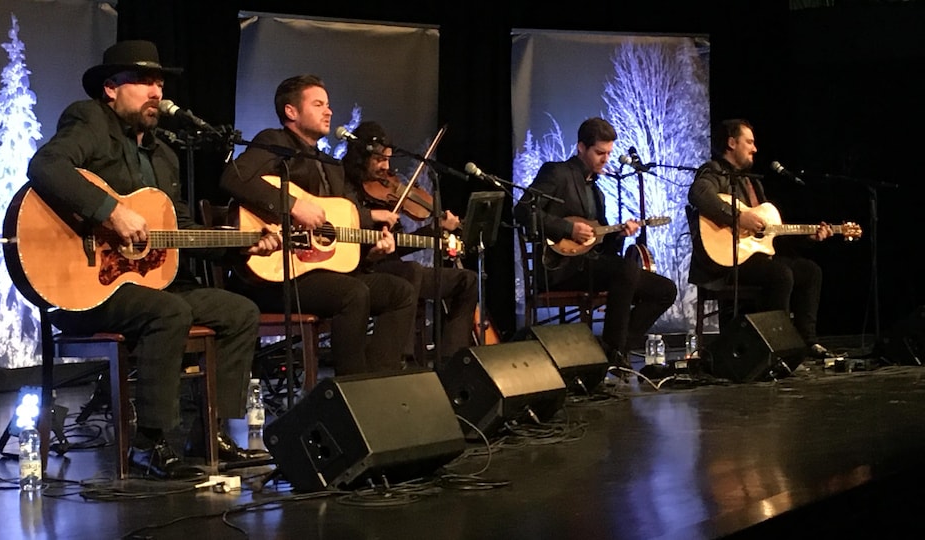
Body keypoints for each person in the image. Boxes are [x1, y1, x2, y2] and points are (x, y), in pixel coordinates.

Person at [25, 40, 282, 480]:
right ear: (110, 88)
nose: (155, 91)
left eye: (159, 82)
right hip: (86, 286)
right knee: (169, 311)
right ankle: (150, 444)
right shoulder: (89, 121)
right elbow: (45, 166)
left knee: (239, 311)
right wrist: (110, 211)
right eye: (143, 81)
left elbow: (179, 230)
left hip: (146, 285)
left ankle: (211, 432)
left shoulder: (163, 153)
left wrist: (241, 243)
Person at [219, 75, 418, 375]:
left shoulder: (331, 165)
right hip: (274, 274)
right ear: (291, 112)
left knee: (399, 291)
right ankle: (350, 391)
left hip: (320, 271)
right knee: (353, 294)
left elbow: (340, 227)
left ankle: (379, 380)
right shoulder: (273, 143)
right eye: (318, 104)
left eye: (328, 105)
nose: (329, 111)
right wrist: (293, 205)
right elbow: (234, 177)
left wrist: (372, 252)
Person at [513, 117, 677, 370]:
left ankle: (614, 349)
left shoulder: (597, 191)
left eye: (609, 153)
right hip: (561, 268)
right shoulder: (557, 172)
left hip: (589, 265)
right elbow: (523, 211)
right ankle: (613, 355)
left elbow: (599, 244)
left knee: (665, 290)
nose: (605, 159)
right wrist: (568, 228)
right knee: (624, 270)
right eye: (600, 152)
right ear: (581, 147)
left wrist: (620, 234)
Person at [687, 118, 834, 358]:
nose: (755, 148)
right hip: (721, 264)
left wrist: (809, 237)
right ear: (732, 143)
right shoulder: (713, 171)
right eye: (750, 142)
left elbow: (771, 234)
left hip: (752, 258)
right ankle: (777, 347)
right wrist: (736, 217)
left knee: (810, 271)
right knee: (780, 274)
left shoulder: (752, 181)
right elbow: (698, 194)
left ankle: (808, 342)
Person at [342, 121, 478, 362]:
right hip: (363, 271)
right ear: (361, 157)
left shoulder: (387, 190)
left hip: (395, 267)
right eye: (379, 160)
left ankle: (453, 360)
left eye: (388, 160)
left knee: (466, 280)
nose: (386, 168)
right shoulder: (345, 187)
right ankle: (402, 359)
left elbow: (401, 245)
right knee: (411, 271)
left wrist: (435, 229)